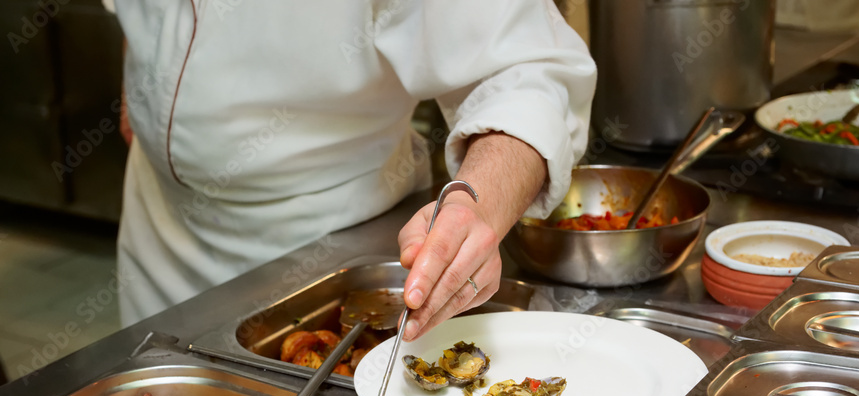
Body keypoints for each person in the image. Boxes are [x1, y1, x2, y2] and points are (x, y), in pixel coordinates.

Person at [110, 1, 596, 341]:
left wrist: (480, 205)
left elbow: (528, 75)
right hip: (159, 231)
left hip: (325, 245)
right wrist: (151, 76)